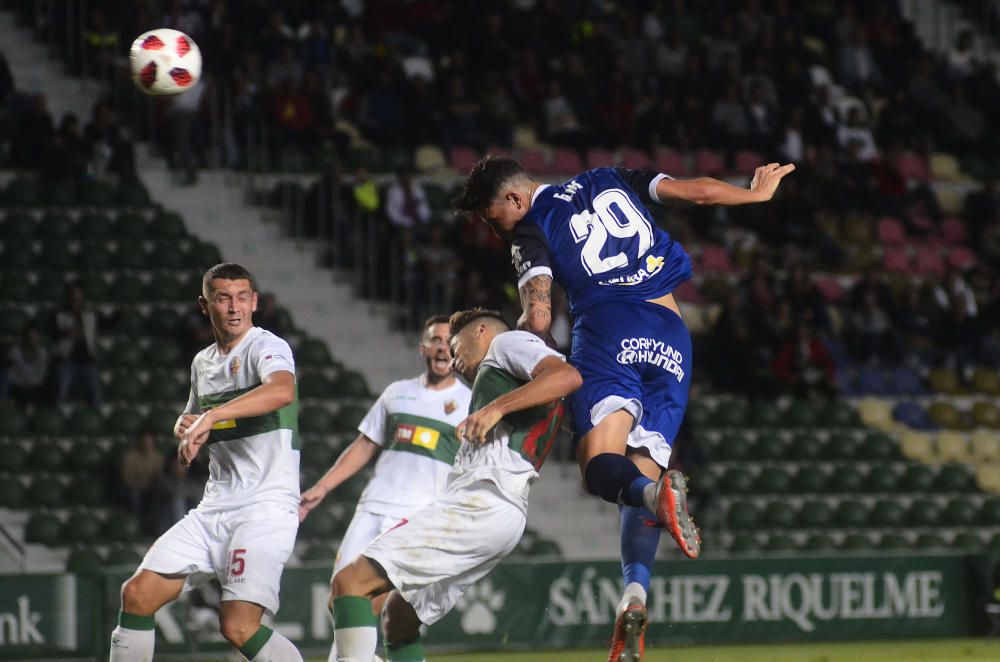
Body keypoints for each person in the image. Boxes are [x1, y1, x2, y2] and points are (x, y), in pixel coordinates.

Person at [454, 154, 793, 660]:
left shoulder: (530, 228)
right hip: (672, 338)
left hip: (609, 328)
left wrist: (521, 352)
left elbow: (541, 313)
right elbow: (695, 192)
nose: (494, 228)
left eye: (490, 217)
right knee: (640, 480)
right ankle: (634, 595)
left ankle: (657, 501)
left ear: (513, 198)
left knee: (599, 470)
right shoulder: (611, 177)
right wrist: (755, 194)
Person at [329, 309, 581, 662]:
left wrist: (495, 408)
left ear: (480, 331)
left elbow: (567, 376)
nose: (453, 357)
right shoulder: (512, 381)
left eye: (456, 346)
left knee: (350, 584)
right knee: (398, 620)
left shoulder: (506, 343)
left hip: (483, 499)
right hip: (502, 510)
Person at [110, 263, 303, 662]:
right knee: (137, 594)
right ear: (205, 304)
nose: (233, 307)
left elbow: (282, 391)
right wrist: (184, 429)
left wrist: (210, 418)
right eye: (222, 298)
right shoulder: (203, 363)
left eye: (241, 297)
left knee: (238, 626)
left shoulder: (267, 346)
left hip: (263, 508)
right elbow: (191, 418)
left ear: (254, 302)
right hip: (214, 509)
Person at [298, 315, 471, 662]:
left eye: (447, 340)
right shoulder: (398, 393)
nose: (440, 346)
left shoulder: (469, 403)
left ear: (455, 351)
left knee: (373, 603)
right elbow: (365, 445)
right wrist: (322, 487)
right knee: (341, 598)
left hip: (416, 516)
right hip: (372, 507)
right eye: (434, 339)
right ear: (423, 347)